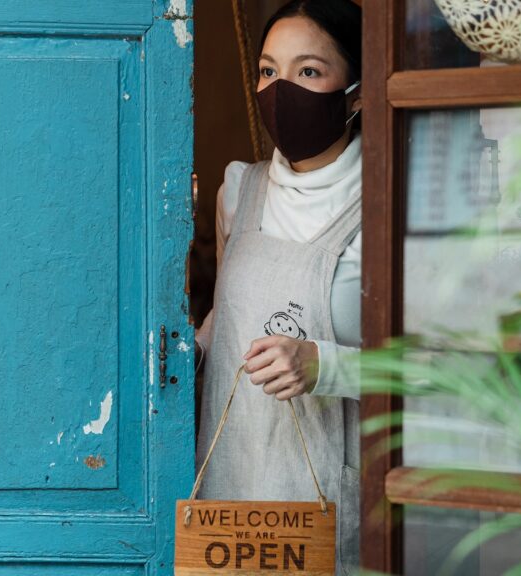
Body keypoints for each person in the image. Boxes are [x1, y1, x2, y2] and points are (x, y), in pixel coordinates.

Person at [194, 0, 363, 572]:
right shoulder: (238, 191)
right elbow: (231, 313)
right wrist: (186, 349)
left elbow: (440, 365)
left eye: (309, 71)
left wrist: (326, 365)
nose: (280, 89)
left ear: (357, 91)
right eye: (268, 70)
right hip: (230, 500)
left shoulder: (386, 206)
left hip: (323, 503)